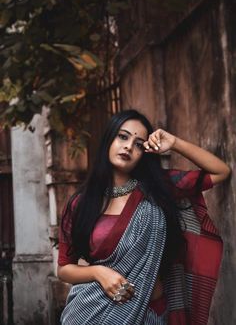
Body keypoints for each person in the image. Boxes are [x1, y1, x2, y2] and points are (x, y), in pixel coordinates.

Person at [58, 109, 231, 325]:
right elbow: (64, 269)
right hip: (92, 313)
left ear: (144, 153)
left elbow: (221, 171)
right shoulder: (80, 204)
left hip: (150, 314)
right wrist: (98, 273)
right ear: (108, 140)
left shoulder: (159, 189)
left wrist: (174, 142)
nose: (129, 146)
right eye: (123, 136)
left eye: (139, 144)